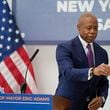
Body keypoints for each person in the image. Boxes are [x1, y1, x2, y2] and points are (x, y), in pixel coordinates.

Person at [55, 12, 110, 110]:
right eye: (89, 28)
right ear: (78, 27)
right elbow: (68, 72)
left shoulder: (102, 53)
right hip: (66, 105)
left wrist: (101, 98)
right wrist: (93, 71)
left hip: (89, 107)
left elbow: (103, 81)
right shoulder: (64, 48)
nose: (93, 31)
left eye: (95, 28)